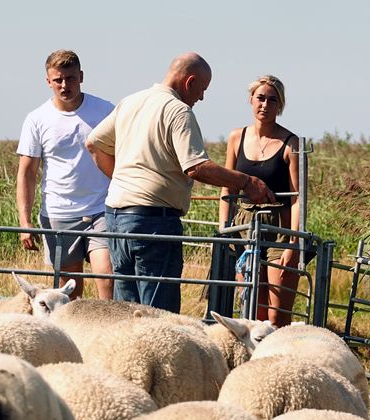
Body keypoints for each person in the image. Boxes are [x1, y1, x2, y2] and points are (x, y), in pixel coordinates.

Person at [85, 52, 273, 313]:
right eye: (202, 89)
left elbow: (94, 143)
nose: (201, 97)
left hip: (116, 217)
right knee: (157, 314)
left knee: (125, 312)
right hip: (153, 221)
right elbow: (196, 166)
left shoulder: (132, 101)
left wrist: (123, 179)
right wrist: (247, 181)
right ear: (190, 82)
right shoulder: (177, 111)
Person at [16, 49, 115, 300]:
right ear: (48, 81)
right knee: (69, 290)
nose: (64, 85)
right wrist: (25, 222)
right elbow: (27, 173)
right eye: (58, 79)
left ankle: (108, 333)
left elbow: (125, 154)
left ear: (81, 76)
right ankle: (72, 336)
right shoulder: (37, 119)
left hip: (101, 208)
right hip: (59, 213)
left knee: (107, 275)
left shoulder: (105, 111)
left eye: (70, 78)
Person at [218, 75, 300, 327]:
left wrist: (293, 244)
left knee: (276, 315)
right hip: (244, 227)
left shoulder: (291, 144)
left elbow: (298, 198)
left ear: (280, 106)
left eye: (272, 100)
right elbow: (227, 187)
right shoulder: (236, 137)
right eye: (260, 98)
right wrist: (224, 229)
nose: (265, 104)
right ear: (251, 100)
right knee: (251, 309)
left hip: (279, 229)